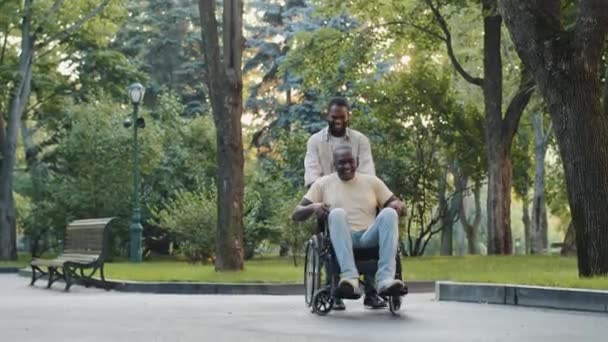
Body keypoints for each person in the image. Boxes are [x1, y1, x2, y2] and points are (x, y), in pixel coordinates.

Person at [293, 145, 406, 301]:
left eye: (350, 161)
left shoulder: (372, 182)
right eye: (341, 162)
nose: (346, 166)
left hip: (369, 236)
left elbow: (401, 208)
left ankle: (385, 280)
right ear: (334, 164)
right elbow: (296, 213)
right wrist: (314, 206)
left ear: (357, 162)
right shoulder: (322, 184)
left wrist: (398, 206)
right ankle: (350, 278)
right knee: (337, 213)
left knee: (389, 213)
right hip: (342, 238)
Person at [303, 97, 383, 309]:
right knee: (327, 222)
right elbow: (312, 175)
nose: (337, 121)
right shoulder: (315, 141)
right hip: (329, 199)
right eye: (333, 117)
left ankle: (372, 290)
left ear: (348, 117)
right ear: (326, 116)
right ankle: (334, 285)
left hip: (358, 192)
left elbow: (367, 172)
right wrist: (323, 194)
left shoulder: (360, 140)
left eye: (341, 117)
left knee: (375, 210)